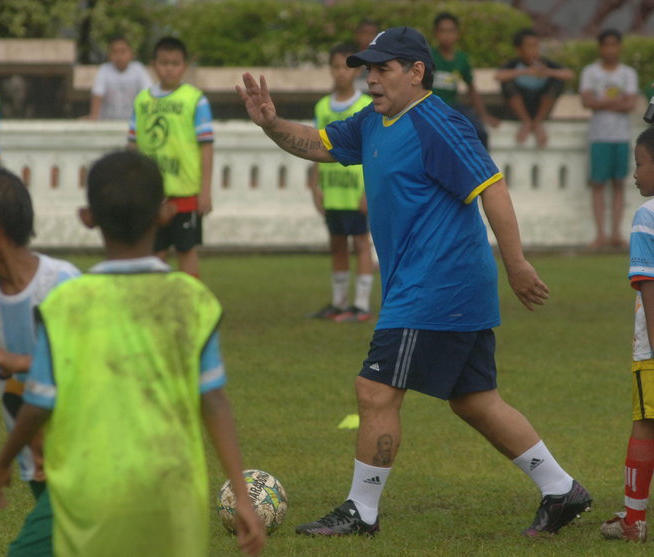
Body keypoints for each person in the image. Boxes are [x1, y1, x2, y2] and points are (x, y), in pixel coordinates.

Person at [236, 25, 591, 538]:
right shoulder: (374, 122)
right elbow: (317, 143)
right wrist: (270, 123)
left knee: (375, 390)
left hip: (437, 284)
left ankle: (362, 511)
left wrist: (517, 263)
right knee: (474, 399)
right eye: (367, 69)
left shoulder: (439, 123)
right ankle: (562, 490)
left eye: (383, 69)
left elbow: (492, 188)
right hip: (434, 285)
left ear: (417, 71)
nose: (371, 79)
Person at [0, 150, 265, 556]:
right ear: (166, 213)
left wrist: (2, 462)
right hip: (172, 497)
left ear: (87, 218)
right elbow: (214, 400)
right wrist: (241, 494)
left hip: (90, 496)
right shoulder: (192, 301)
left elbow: (39, 402)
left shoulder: (67, 304)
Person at [0, 168, 80, 554]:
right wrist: (33, 444)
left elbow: (84, 367)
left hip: (80, 461)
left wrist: (14, 359)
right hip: (35, 461)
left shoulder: (62, 284)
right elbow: (17, 387)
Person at [599, 126, 654, 543]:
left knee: (645, 424)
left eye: (639, 163)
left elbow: (649, 286)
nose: (634, 173)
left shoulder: (646, 217)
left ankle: (634, 521)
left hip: (651, 348)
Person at [128, 36, 213, 278]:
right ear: (153, 64)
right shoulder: (142, 100)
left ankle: (190, 308)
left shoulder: (196, 100)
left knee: (186, 250)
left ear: (184, 66)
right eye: (164, 63)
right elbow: (132, 144)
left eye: (175, 63)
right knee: (155, 254)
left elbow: (206, 146)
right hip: (151, 193)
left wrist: (205, 191)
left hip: (185, 192)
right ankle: (159, 308)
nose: (169, 68)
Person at [307, 43, 375, 323]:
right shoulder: (322, 106)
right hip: (332, 190)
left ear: (357, 71)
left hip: (356, 192)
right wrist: (315, 185)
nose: (340, 73)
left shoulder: (366, 106)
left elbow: (373, 152)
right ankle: (339, 303)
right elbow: (313, 146)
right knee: (336, 244)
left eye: (346, 67)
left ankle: (361, 306)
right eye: (335, 66)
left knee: (361, 244)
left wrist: (369, 191)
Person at [580, 29, 639, 250]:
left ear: (620, 47)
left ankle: (616, 233)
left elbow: (630, 103)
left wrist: (600, 101)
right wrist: (616, 103)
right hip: (599, 136)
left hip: (621, 136)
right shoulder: (590, 72)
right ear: (600, 47)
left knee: (618, 184)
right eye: (607, 45)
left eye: (614, 44)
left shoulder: (628, 73)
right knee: (598, 184)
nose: (610, 49)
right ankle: (600, 234)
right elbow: (586, 101)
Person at [430, 11, 499, 149]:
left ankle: (482, 169)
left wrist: (483, 115)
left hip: (453, 106)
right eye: (442, 31)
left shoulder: (461, 59)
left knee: (479, 131)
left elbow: (472, 90)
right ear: (436, 33)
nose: (447, 35)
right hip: (431, 106)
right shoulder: (429, 55)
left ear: (457, 34)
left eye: (450, 31)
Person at [495, 28, 574, 147]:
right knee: (508, 85)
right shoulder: (515, 64)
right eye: (529, 46)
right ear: (519, 49)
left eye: (536, 46)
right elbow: (499, 76)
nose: (534, 50)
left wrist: (547, 72)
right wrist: (525, 72)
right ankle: (526, 121)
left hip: (540, 104)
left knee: (557, 82)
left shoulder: (545, 63)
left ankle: (537, 122)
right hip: (521, 104)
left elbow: (569, 74)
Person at [84, 36, 152, 121]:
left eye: (123, 51)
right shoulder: (104, 70)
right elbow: (97, 94)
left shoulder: (138, 69)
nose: (119, 56)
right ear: (109, 55)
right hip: (107, 122)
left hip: (133, 122)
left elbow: (149, 93)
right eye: (115, 52)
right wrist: (94, 116)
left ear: (131, 53)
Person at [353, 20, 380, 93]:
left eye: (372, 34)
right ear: (357, 35)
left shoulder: (381, 61)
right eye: (365, 33)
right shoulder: (351, 60)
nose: (369, 37)